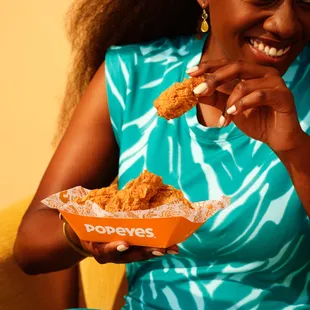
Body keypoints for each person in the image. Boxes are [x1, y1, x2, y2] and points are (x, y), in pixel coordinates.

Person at [14, 0, 310, 308]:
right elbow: (31, 243)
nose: (285, 24)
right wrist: (88, 235)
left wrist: (294, 149)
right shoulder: (135, 74)